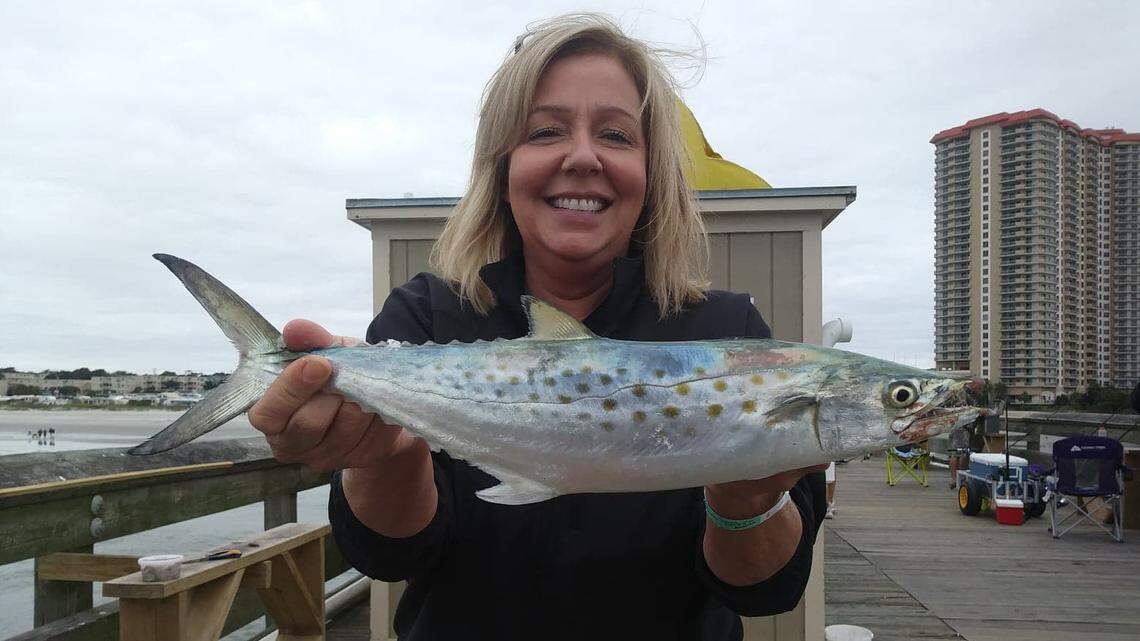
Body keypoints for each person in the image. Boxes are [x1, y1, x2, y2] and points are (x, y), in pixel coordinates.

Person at [248, 14, 826, 640]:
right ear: (503, 166)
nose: (583, 157)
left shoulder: (733, 335)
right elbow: (391, 557)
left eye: (616, 135)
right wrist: (387, 457)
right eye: (546, 131)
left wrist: (746, 504)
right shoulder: (424, 318)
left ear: (651, 172)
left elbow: (766, 588)